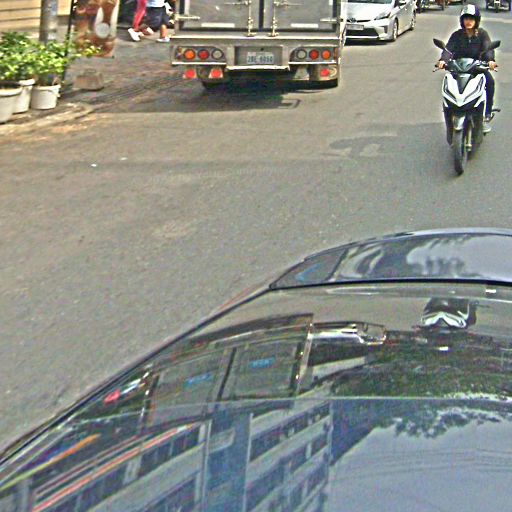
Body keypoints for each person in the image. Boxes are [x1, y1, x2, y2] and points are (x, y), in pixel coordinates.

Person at [436, 4, 498, 133]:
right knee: (449, 84)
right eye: (466, 19)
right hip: (459, 69)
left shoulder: (482, 34)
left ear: (476, 20)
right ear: (462, 20)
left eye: (471, 19)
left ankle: (486, 113)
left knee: (490, 82)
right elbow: (448, 49)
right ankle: (450, 109)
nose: (468, 21)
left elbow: (488, 49)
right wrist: (442, 60)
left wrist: (490, 61)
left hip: (477, 69)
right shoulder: (457, 35)